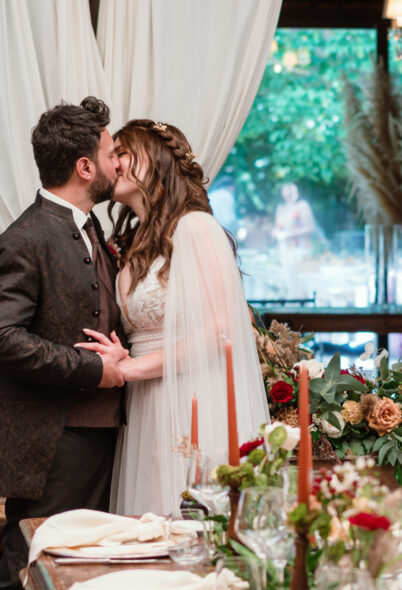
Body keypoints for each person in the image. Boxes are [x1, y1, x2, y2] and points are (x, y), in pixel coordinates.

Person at [0, 96, 126, 590]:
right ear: (84, 166)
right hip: (51, 443)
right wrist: (93, 369)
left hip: (97, 436)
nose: (117, 163)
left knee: (74, 573)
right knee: (25, 575)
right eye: (111, 152)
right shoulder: (26, 237)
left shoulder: (92, 230)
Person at [76, 119, 270, 515]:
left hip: (192, 395)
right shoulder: (133, 241)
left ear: (157, 159)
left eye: (122, 153)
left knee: (191, 522)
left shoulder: (197, 227)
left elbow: (220, 333)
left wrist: (130, 369)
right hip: (146, 403)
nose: (113, 164)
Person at [272, 182, 316, 252]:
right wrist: (276, 233)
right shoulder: (280, 208)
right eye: (284, 189)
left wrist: (288, 234)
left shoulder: (302, 206)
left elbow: (310, 227)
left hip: (300, 248)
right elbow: (277, 227)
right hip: (284, 249)